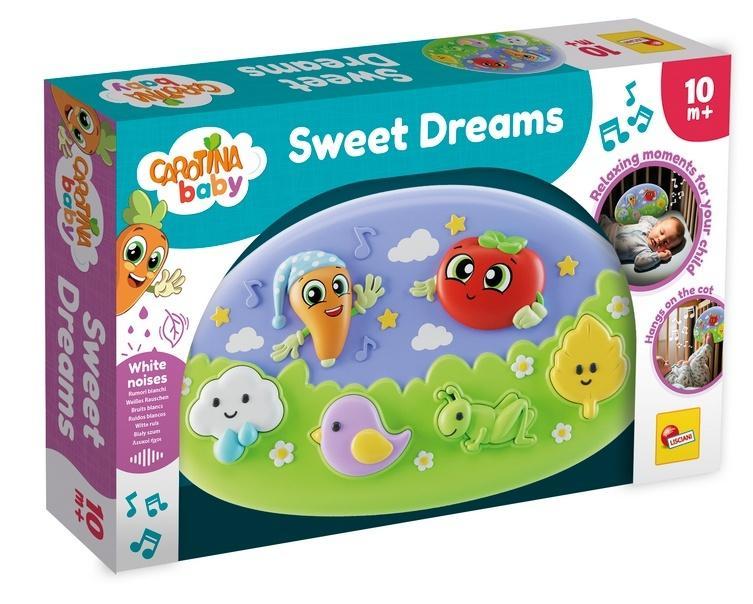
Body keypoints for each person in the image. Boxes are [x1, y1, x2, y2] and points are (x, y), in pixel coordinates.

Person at [600, 214, 685, 272]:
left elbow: (639, 264)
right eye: (661, 232)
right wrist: (657, 222)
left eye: (666, 242)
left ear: (667, 249)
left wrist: (659, 256)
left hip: (605, 246)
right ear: (656, 226)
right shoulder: (647, 225)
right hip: (606, 225)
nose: (660, 239)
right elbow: (643, 218)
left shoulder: (646, 252)